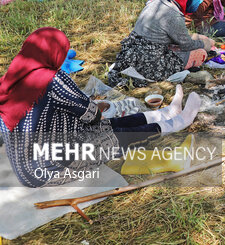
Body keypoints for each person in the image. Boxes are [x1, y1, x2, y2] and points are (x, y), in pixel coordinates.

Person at [0, 27, 201, 187]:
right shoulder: (52, 79)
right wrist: (95, 111)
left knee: (102, 127)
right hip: (52, 169)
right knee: (109, 134)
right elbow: (92, 114)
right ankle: (176, 122)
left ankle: (164, 113)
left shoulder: (9, 80)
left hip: (27, 170)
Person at [108, 0, 214, 87]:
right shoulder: (174, 15)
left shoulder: (156, 1)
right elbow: (187, 45)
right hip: (150, 62)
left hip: (131, 54)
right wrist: (205, 44)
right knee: (200, 53)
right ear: (188, 0)